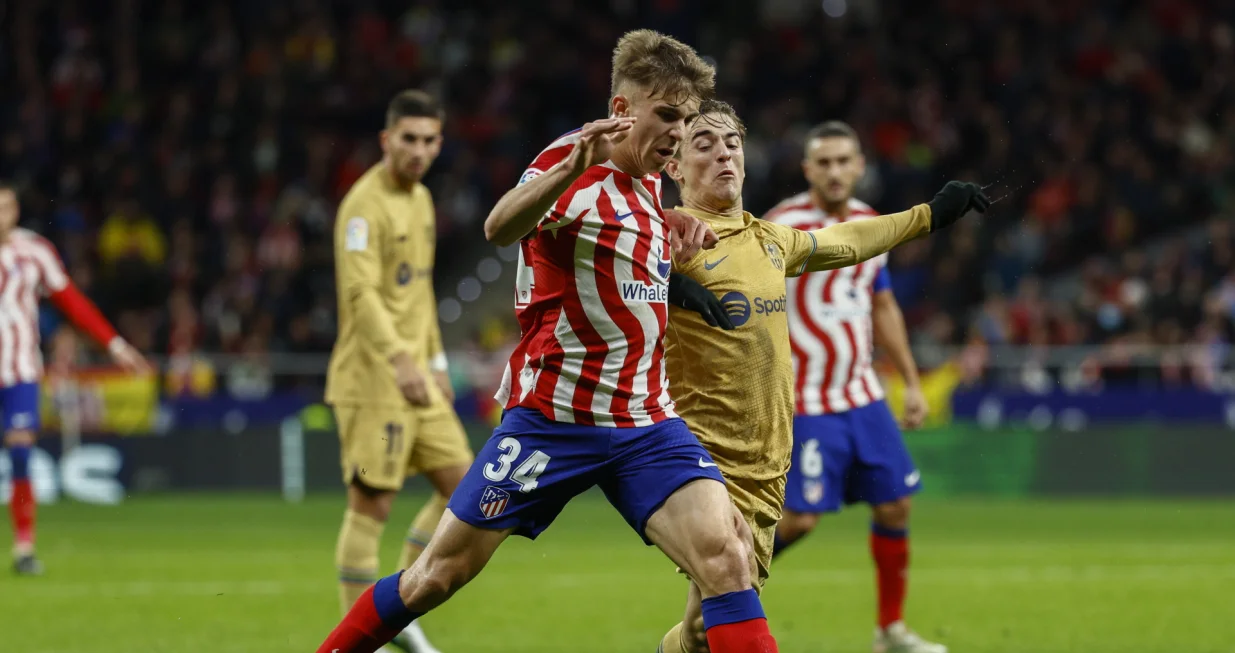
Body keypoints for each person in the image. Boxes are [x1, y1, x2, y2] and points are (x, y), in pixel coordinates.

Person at [316, 29, 784, 653]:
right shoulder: (575, 162)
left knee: (728, 561)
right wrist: (568, 169)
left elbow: (620, 251)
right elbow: (500, 225)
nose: (677, 133)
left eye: (686, 118)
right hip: (554, 420)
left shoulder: (647, 177)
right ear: (622, 110)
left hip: (645, 421)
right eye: (666, 115)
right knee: (436, 576)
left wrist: (667, 224)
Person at [656, 102, 989, 653]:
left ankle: (888, 628)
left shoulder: (769, 239)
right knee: (732, 587)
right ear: (674, 166)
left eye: (732, 144)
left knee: (699, 628)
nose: (724, 155)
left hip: (768, 453)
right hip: (703, 453)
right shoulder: (665, 234)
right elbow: (596, 250)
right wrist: (662, 273)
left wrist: (929, 215)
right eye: (705, 145)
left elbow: (850, 242)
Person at [767, 121, 949, 653]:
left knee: (895, 506)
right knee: (799, 520)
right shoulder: (785, 224)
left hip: (863, 395)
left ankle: (889, 631)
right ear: (807, 171)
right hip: (807, 401)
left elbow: (882, 303)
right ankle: (720, 583)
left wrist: (911, 382)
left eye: (844, 160)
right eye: (823, 162)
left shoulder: (872, 222)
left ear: (861, 165)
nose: (834, 171)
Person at [324, 90, 475, 653]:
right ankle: (355, 642)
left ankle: (401, 605)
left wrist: (434, 361)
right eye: (408, 139)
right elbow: (360, 294)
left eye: (429, 140)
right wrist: (401, 359)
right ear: (386, 140)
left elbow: (418, 293)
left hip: (417, 375)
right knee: (371, 509)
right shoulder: (364, 206)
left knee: (467, 491)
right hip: (374, 380)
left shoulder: (421, 200)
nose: (418, 150)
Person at [0, 181, 149, 575]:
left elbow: (72, 302)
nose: (3, 215)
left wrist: (115, 345)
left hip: (19, 370)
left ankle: (24, 547)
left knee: (20, 449)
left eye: (8, 207)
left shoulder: (34, 252)